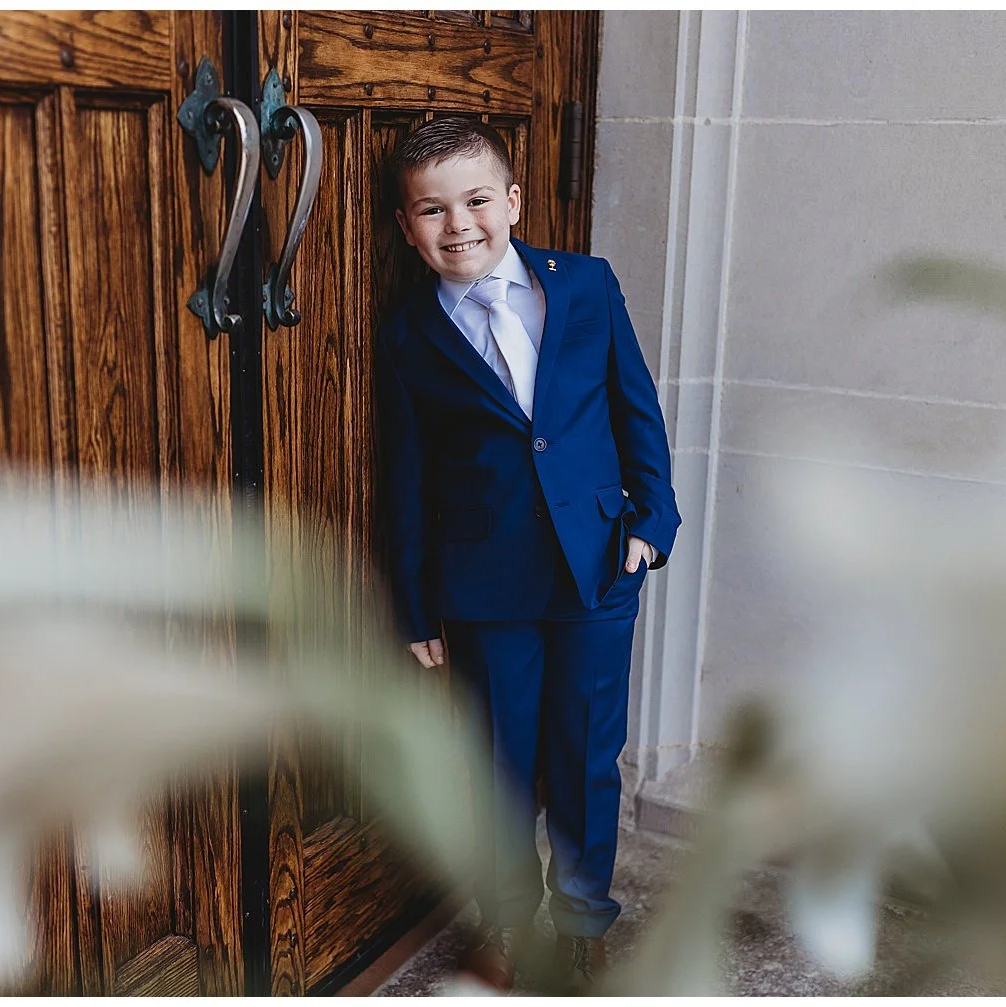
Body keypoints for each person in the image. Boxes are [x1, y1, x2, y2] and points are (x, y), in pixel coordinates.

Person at [375, 116, 680, 993]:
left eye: (475, 200)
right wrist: (413, 602)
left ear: (512, 200)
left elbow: (635, 407)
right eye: (432, 209)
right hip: (485, 586)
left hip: (598, 566)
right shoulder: (408, 333)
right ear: (406, 226)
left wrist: (651, 524)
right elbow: (407, 477)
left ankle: (583, 924)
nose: (458, 224)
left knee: (586, 756)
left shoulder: (586, 285)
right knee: (499, 762)